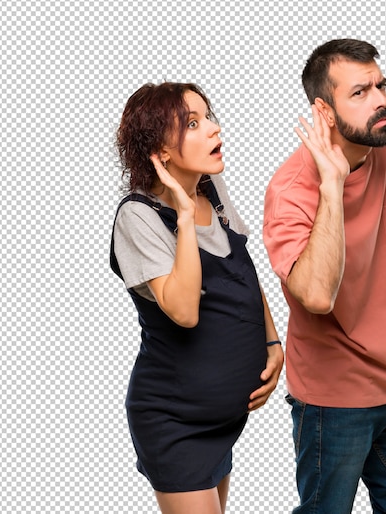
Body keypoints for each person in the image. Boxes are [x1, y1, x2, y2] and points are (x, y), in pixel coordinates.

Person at [263, 39, 386, 513]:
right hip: (331, 402)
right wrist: (332, 184)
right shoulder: (291, 191)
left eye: (381, 85)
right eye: (360, 92)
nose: (380, 99)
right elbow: (316, 296)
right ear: (325, 111)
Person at [110, 81, 284, 514]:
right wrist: (184, 215)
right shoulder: (138, 216)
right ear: (160, 150)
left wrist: (272, 341)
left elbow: (243, 272)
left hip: (221, 422)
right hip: (175, 422)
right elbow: (184, 311)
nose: (214, 129)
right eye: (193, 123)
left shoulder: (212, 190)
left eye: (209, 116)